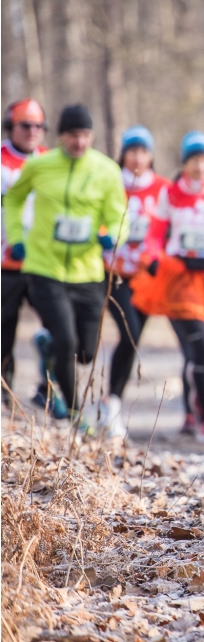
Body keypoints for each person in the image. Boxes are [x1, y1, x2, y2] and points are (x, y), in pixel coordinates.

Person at [4, 104, 128, 428]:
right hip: (45, 268)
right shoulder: (40, 166)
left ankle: (47, 349)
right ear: (61, 136)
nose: (80, 142)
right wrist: (17, 237)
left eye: (86, 135)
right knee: (67, 341)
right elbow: (14, 199)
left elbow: (119, 216)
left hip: (88, 272)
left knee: (85, 352)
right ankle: (75, 413)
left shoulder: (106, 171)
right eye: (73, 135)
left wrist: (111, 236)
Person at [131, 131, 204, 443]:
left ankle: (193, 405)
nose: (200, 166)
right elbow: (155, 233)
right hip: (182, 278)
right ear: (185, 162)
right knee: (203, 350)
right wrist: (153, 256)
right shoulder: (171, 193)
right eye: (194, 159)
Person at [99, 125, 170, 437]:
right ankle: (110, 405)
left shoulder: (163, 189)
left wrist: (158, 254)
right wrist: (102, 237)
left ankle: (112, 402)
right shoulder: (109, 182)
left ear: (151, 155)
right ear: (123, 154)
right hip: (112, 272)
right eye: (132, 151)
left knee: (134, 338)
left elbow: (169, 226)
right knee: (130, 331)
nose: (138, 157)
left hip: (146, 275)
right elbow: (95, 215)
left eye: (144, 151)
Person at [0, 98, 63, 416]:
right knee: (4, 331)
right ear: (11, 126)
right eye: (26, 125)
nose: (32, 132)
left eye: (39, 126)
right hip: (5, 263)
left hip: (42, 261)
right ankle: (5, 395)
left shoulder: (52, 161)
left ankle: (49, 388)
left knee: (58, 326)